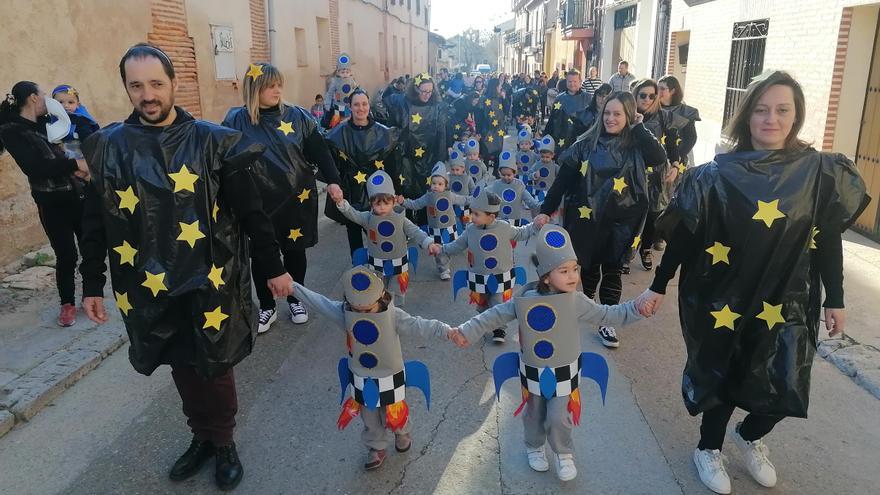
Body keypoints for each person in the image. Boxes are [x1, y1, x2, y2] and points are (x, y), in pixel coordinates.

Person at [637, 71, 869, 495]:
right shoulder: (715, 175)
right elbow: (686, 234)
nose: (771, 119)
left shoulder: (820, 172)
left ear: (796, 115)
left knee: (787, 377)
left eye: (782, 110)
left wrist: (835, 298)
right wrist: (659, 284)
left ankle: (749, 435)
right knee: (724, 372)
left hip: (789, 298)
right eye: (761, 110)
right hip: (724, 295)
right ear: (747, 116)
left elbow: (830, 238)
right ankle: (709, 447)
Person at [79, 43, 294, 490]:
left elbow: (253, 212)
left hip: (210, 277)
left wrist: (274, 266)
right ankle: (201, 437)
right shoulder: (109, 147)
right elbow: (95, 222)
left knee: (214, 364)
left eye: (156, 83)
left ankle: (224, 441)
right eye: (137, 86)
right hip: (149, 281)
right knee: (179, 361)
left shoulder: (214, 142)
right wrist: (92, 284)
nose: (148, 95)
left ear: (174, 83)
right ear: (127, 88)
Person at [452, 225, 649, 481]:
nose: (572, 277)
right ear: (546, 276)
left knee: (559, 415)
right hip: (532, 369)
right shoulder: (525, 299)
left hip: (565, 372)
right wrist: (467, 330)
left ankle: (563, 452)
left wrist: (637, 307)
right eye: (564, 271)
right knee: (534, 412)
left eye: (575, 269)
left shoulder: (576, 300)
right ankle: (534, 446)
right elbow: (494, 314)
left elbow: (607, 314)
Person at [534, 92, 666, 350]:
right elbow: (563, 180)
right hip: (588, 218)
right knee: (591, 266)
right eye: (607, 112)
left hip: (624, 220)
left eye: (617, 113)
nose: (610, 118)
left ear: (629, 115)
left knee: (613, 268)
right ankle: (590, 302)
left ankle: (608, 318)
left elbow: (659, 157)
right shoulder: (585, 144)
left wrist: (639, 127)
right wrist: (545, 210)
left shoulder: (638, 144)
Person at [292, 265, 458, 470]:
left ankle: (402, 432)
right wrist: (292, 288)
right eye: (356, 310)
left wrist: (446, 331)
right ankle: (376, 446)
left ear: (380, 299)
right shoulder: (345, 314)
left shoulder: (393, 315)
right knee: (369, 415)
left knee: (394, 412)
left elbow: (419, 324)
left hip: (390, 375)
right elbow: (320, 303)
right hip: (362, 376)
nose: (362, 313)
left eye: (367, 310)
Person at [222, 62, 343, 333]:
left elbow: (320, 151)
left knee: (294, 251)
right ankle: (266, 306)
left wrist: (334, 180)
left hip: (295, 197)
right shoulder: (235, 121)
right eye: (270, 86)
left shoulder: (299, 117)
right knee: (262, 255)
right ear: (255, 89)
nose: (277, 90)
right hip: (256, 202)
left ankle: (295, 299)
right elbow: (223, 160)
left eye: (279, 85)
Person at [0, 81, 91, 327]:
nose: (46, 100)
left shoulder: (48, 122)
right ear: (32, 98)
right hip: (51, 203)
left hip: (78, 196)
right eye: (42, 95)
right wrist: (76, 165)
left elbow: (70, 145)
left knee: (90, 248)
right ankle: (67, 304)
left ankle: (90, 297)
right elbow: (36, 167)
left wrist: (82, 164)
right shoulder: (12, 131)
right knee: (66, 255)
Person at [432, 187, 539, 343]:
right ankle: (481, 325)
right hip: (478, 275)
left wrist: (535, 225)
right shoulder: (470, 230)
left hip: (500, 275)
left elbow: (521, 233)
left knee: (497, 302)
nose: (472, 217)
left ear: (490, 216)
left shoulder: (504, 227)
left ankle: (499, 329)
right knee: (482, 302)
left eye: (476, 214)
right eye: (471, 212)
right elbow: (457, 245)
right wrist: (441, 249)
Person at [334, 170, 434, 306]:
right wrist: (341, 202)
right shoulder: (368, 218)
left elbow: (415, 232)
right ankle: (383, 309)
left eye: (386, 203)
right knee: (378, 287)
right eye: (377, 204)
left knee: (397, 289)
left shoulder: (401, 219)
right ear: (371, 204)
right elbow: (353, 214)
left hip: (398, 260)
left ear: (393, 202)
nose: (382, 208)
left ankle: (397, 312)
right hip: (376, 262)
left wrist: (429, 243)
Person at [324, 89, 403, 257]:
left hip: (377, 191)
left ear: (369, 105)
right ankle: (358, 267)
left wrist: (397, 191)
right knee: (353, 231)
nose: (361, 108)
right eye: (356, 104)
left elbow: (392, 166)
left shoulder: (384, 133)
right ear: (350, 107)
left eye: (364, 104)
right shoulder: (338, 133)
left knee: (379, 233)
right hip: (350, 190)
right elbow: (329, 162)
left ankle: (382, 266)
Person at [631, 78, 685, 272]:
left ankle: (646, 247)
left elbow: (672, 144)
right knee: (631, 212)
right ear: (636, 95)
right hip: (632, 172)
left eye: (651, 96)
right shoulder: (628, 113)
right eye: (643, 95)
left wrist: (676, 165)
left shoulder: (664, 116)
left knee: (654, 213)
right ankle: (628, 252)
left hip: (657, 174)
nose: (647, 99)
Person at [385, 73, 448, 207]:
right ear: (416, 89)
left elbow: (441, 134)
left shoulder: (437, 106)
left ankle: (423, 224)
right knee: (406, 192)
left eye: (430, 91)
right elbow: (392, 127)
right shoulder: (403, 103)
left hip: (428, 157)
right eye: (424, 91)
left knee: (425, 194)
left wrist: (440, 160)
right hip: (406, 157)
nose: (427, 95)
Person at [398, 162, 468, 280]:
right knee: (438, 251)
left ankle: (444, 263)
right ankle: (443, 268)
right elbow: (415, 204)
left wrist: (476, 198)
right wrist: (403, 202)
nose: (436, 186)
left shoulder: (450, 195)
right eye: (434, 183)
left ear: (445, 185)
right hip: (435, 229)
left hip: (449, 228)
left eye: (440, 184)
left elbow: (463, 200)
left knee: (448, 248)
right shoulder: (428, 197)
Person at [489, 150, 541, 228]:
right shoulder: (496, 184)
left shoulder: (519, 185)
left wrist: (541, 206)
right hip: (499, 219)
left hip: (515, 219)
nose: (506, 177)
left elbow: (529, 200)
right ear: (499, 173)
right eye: (503, 175)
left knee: (513, 238)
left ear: (514, 173)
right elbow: (485, 193)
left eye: (509, 175)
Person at [543, 69, 590, 155]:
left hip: (581, 141)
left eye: (575, 81)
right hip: (562, 142)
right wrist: (546, 136)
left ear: (580, 81)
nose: (572, 84)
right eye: (570, 81)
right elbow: (552, 120)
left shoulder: (587, 98)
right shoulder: (559, 98)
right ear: (566, 82)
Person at [659, 75, 701, 169]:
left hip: (677, 160)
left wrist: (676, 158)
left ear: (672, 91)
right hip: (656, 159)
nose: (658, 91)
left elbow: (690, 138)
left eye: (662, 88)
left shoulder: (685, 112)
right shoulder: (653, 108)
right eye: (657, 87)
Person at [51, 84, 100, 159]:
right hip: (65, 156)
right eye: (60, 102)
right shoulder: (53, 119)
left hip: (83, 153)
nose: (65, 105)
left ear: (78, 105)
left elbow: (88, 138)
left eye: (70, 102)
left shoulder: (80, 119)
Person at [476, 78, 507, 171]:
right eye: (499, 86)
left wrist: (504, 98)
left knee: (498, 150)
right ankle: (484, 171)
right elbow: (479, 116)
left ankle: (496, 170)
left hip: (498, 130)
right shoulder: (484, 99)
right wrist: (478, 131)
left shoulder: (500, 98)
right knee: (486, 151)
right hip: (487, 129)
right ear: (495, 86)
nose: (500, 88)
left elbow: (505, 111)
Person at [323, 53, 358, 128]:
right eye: (342, 72)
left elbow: (356, 91)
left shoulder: (352, 81)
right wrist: (327, 104)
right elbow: (329, 94)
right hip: (338, 107)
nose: (345, 74)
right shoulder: (335, 81)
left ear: (350, 72)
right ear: (338, 72)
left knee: (350, 122)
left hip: (349, 107)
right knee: (337, 124)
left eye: (347, 72)